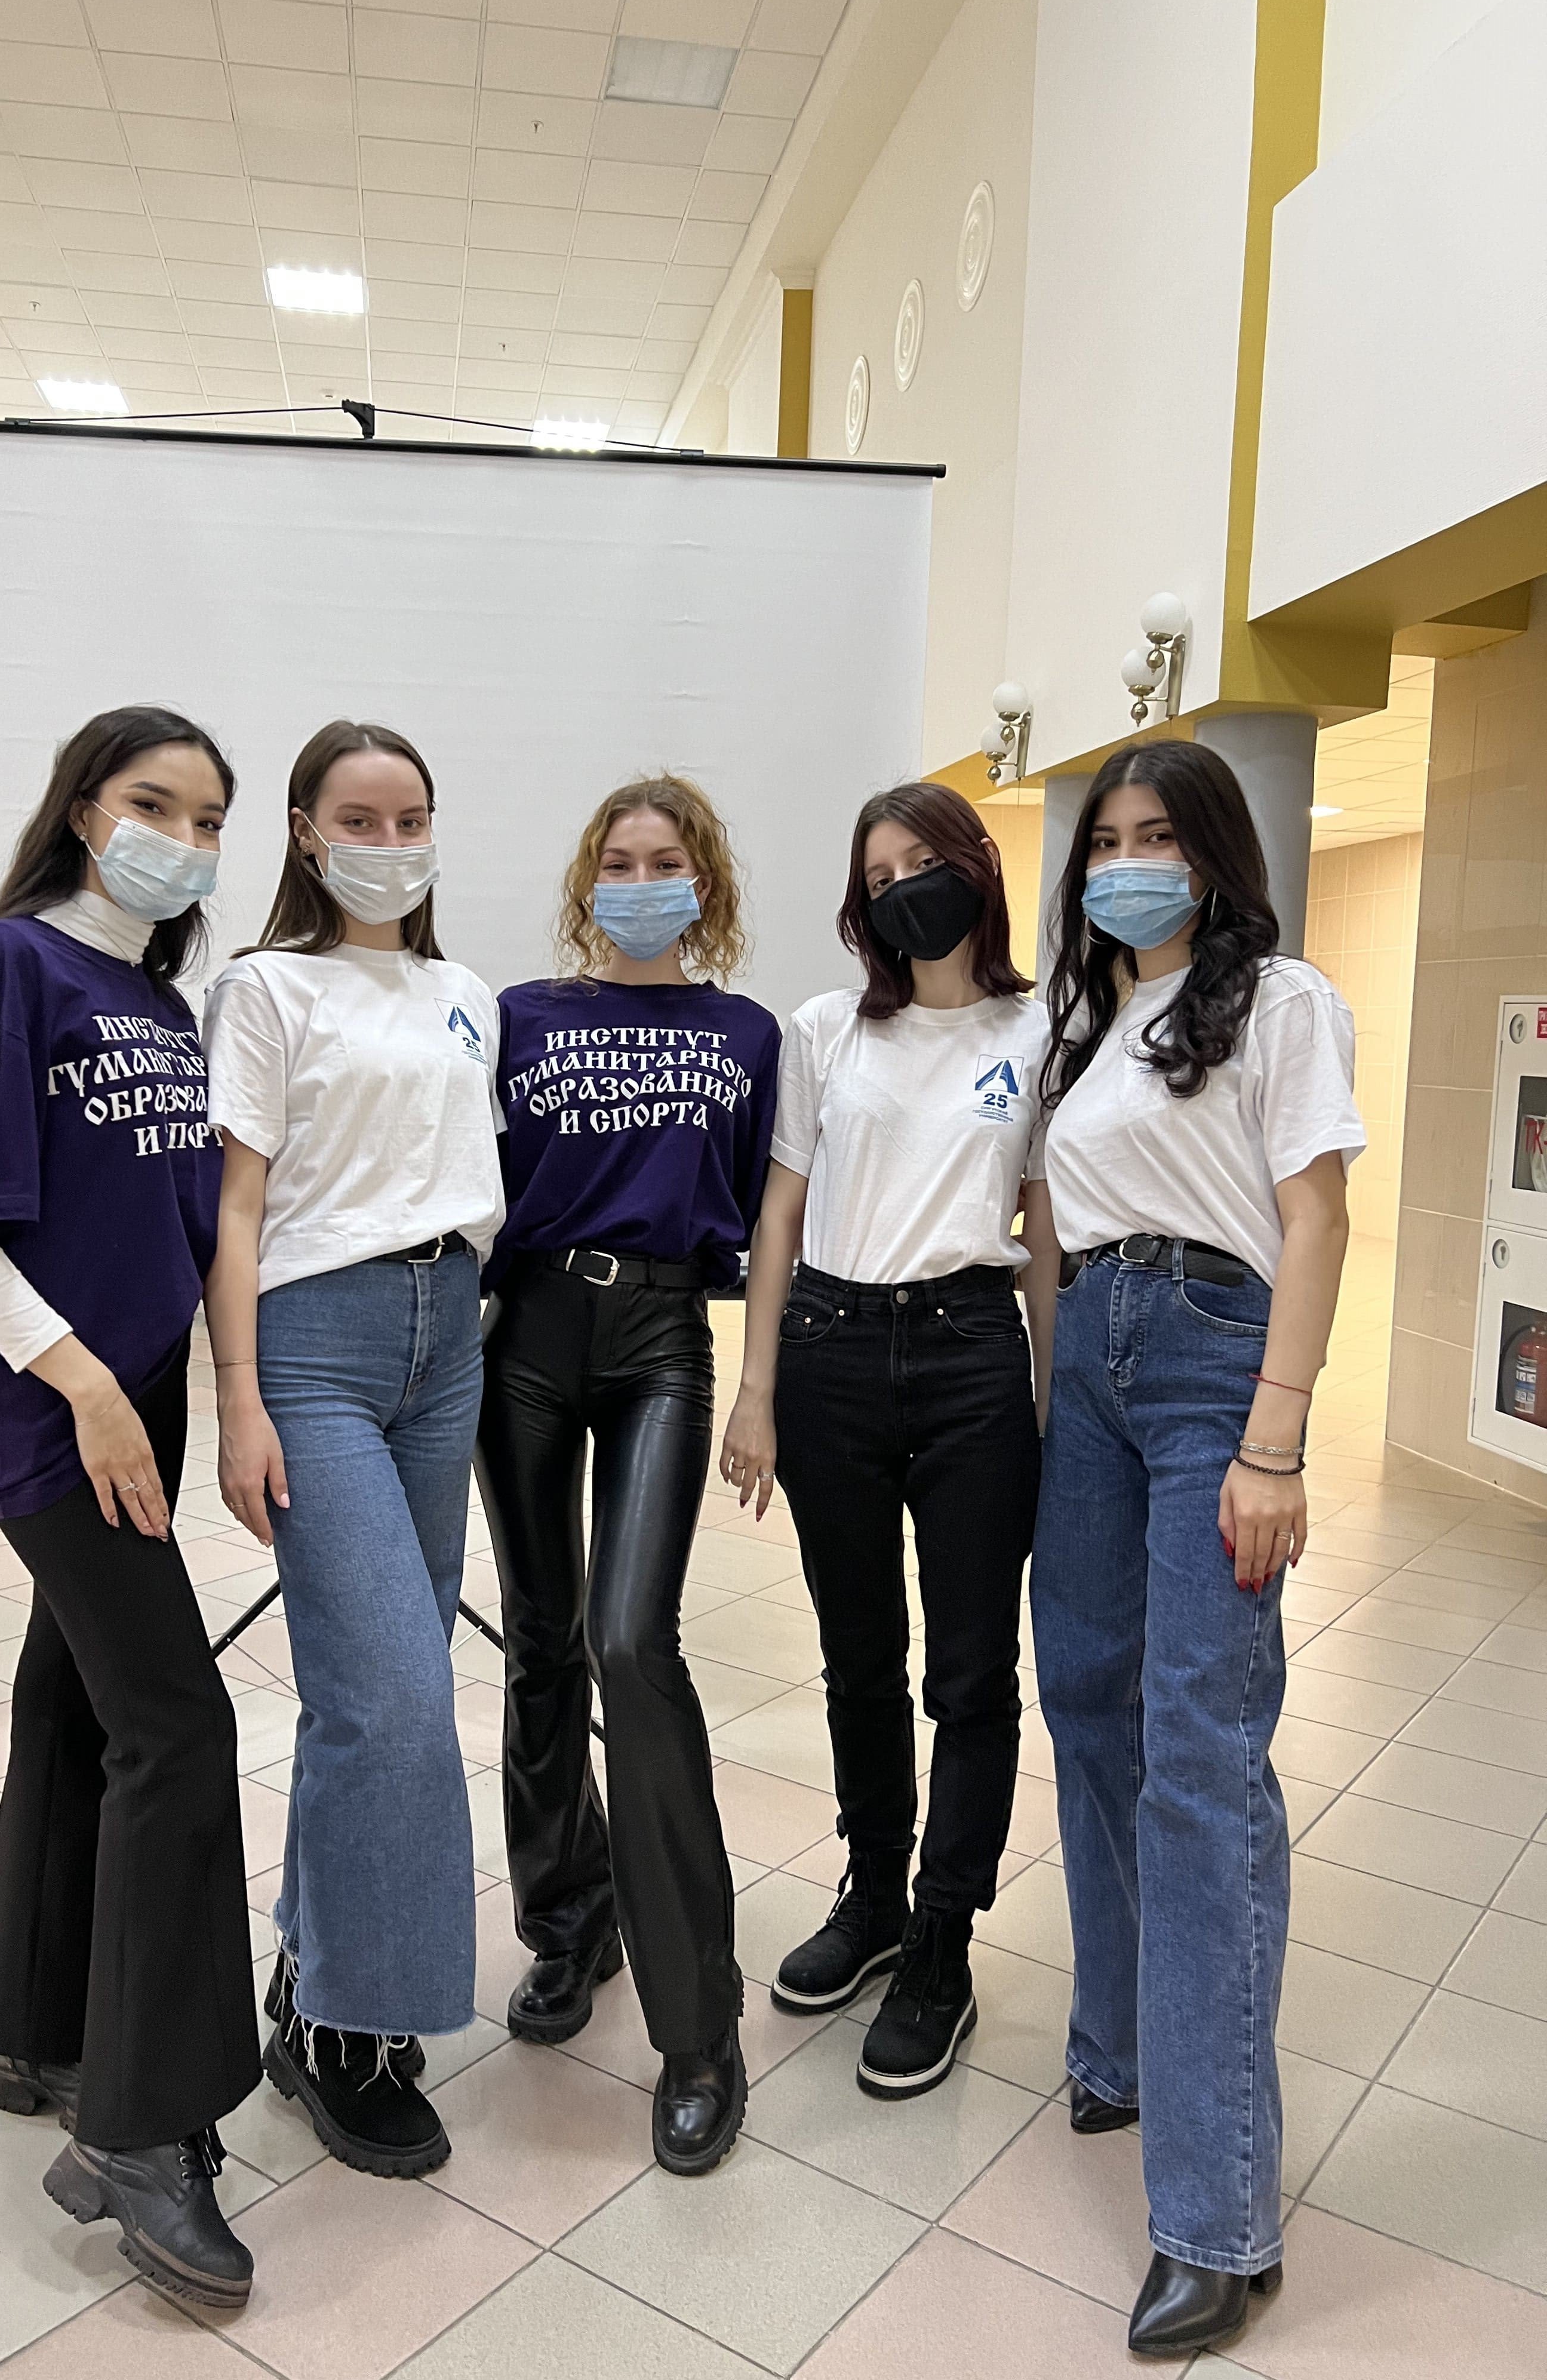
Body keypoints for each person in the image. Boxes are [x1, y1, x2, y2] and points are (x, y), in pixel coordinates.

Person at [0, 705, 260, 2309]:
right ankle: (145, 2129)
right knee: (179, 1725)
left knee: (79, 1696)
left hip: (137, 1396)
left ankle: (34, 2026)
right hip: (56, 1408)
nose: (183, 836)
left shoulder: (161, 999)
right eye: (153, 802)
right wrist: (88, 1383)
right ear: (85, 807)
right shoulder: (11, 966)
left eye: (209, 816)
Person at [1029, 738, 1360, 2359]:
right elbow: (1057, 1238)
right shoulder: (1094, 1024)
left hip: (1211, 1358)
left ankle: (1220, 2217)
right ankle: (1123, 2042)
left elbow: (1316, 1217)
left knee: (1200, 1752)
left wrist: (1274, 1440)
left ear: (1217, 852)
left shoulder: (1282, 1001)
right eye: (1106, 840)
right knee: (1087, 1702)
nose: (1127, 863)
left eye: (1158, 835)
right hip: (1092, 1363)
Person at [719, 783, 1052, 2099]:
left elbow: (1045, 1235)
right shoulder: (825, 1029)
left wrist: (1050, 1400)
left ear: (976, 866)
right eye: (880, 874)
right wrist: (755, 1388)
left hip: (973, 1351)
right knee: (859, 1656)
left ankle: (943, 1938)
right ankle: (872, 1891)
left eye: (925, 860)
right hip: (831, 1350)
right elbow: (779, 1214)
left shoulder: (1039, 1030)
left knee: (971, 1672)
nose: (906, 886)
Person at [202, 719, 502, 2180]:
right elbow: (238, 1208)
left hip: (452, 1338)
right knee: (392, 1695)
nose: (391, 844)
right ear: (307, 834)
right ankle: (354, 2028)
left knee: (372, 1694)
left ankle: (311, 1976)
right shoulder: (266, 987)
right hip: (315, 1342)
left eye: (412, 819)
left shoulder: (466, 994)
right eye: (360, 821)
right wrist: (236, 1396)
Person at [475, 774, 780, 2176]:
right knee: (541, 1639)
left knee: (631, 1641)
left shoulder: (745, 1034)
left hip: (664, 1333)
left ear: (703, 884)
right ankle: (568, 1918)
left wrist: (767, 1385)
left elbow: (771, 1215)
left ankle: (699, 2024)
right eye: (619, 859)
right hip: (528, 1332)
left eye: (666, 862)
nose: (640, 881)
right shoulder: (521, 1016)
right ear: (587, 879)